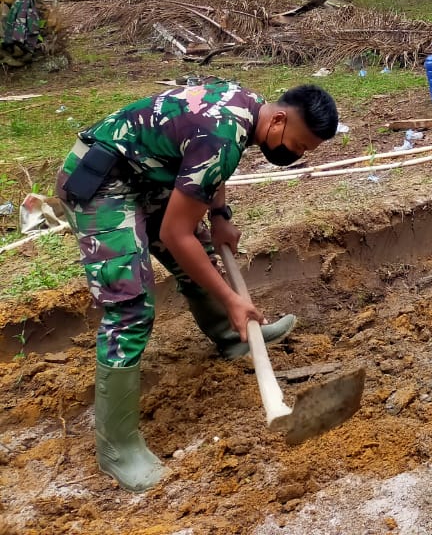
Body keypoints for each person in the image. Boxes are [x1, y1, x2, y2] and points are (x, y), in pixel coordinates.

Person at [55, 80, 339, 492]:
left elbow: (210, 167)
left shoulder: (249, 112)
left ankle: (232, 337)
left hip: (145, 176)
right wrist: (232, 298)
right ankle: (117, 449)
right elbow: (175, 233)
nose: (295, 156)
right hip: (102, 183)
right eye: (298, 145)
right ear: (279, 119)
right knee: (130, 306)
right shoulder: (224, 131)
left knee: (203, 254)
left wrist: (220, 215)